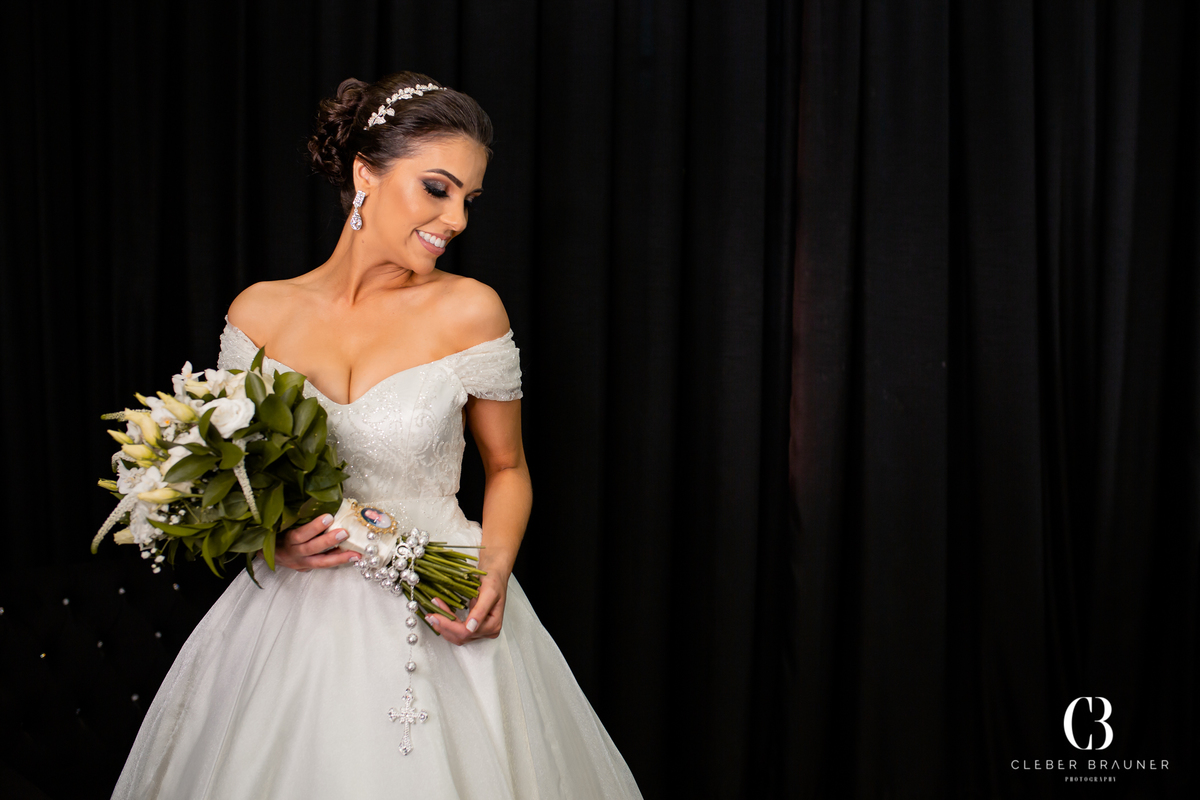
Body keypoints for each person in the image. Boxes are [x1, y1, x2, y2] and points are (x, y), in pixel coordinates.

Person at [112, 72, 643, 799]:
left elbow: (508, 467)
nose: (456, 219)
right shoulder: (260, 314)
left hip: (441, 609)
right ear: (366, 173)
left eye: (469, 199)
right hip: (290, 625)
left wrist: (492, 574)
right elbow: (236, 473)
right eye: (438, 188)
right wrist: (266, 536)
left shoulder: (471, 311)